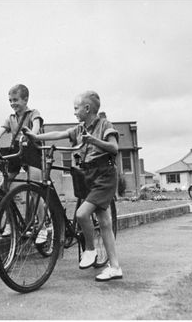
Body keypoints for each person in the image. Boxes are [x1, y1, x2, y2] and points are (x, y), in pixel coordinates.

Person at [23, 90, 122, 281]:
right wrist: (36, 138)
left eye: (76, 108)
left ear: (87, 108)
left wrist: (93, 140)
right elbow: (60, 133)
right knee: (104, 222)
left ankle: (90, 249)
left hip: (104, 175)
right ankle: (115, 266)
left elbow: (114, 148)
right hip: (89, 175)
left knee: (82, 214)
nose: (74, 112)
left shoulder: (104, 125)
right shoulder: (79, 129)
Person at [0, 84, 47, 243]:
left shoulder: (33, 113)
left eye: (15, 100)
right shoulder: (11, 118)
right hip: (16, 150)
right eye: (10, 100)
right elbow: (0, 131)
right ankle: (10, 223)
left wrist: (31, 135)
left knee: (35, 190)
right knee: (5, 186)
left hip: (31, 149)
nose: (12, 103)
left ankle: (42, 227)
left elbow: (36, 125)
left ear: (25, 99)